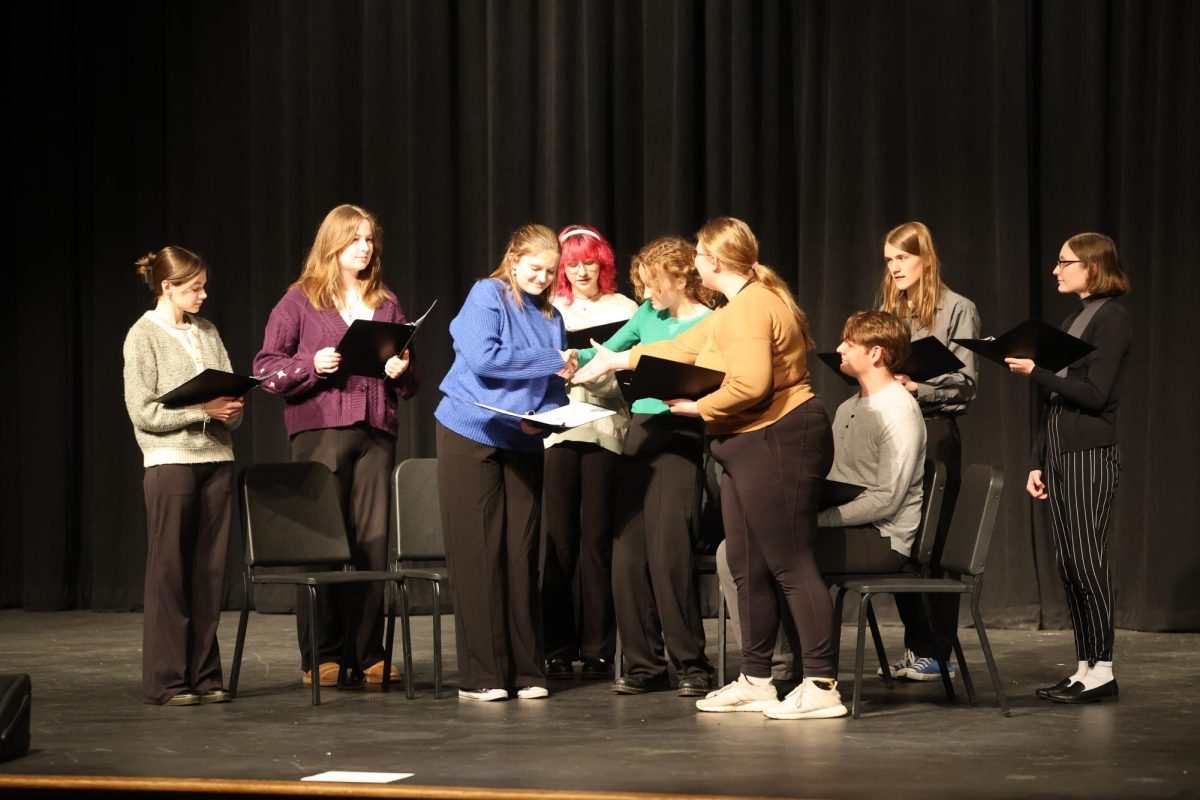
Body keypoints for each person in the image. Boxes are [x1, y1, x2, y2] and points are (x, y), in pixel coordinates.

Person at [574, 217, 844, 719]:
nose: (695, 260)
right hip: (745, 442)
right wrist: (620, 358)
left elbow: (751, 385)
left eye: (698, 252)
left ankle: (822, 684)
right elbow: (686, 349)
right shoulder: (735, 309)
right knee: (747, 566)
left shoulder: (751, 307)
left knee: (789, 561)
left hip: (778, 435)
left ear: (714, 261)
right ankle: (757, 678)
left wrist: (699, 409)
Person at [253, 204, 419, 688]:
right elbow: (266, 368)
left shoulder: (385, 302)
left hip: (376, 432)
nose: (365, 248)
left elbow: (412, 370)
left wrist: (400, 369)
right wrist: (311, 363)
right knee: (324, 541)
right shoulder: (300, 301)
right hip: (321, 430)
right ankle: (321, 653)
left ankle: (367, 651)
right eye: (355, 240)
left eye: (370, 240)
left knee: (372, 541)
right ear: (333, 244)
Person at [434, 223, 576, 702]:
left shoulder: (552, 316)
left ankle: (526, 670)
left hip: (521, 438)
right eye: (535, 268)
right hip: (469, 431)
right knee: (479, 553)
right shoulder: (487, 295)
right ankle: (482, 676)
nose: (542, 278)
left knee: (521, 553)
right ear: (514, 261)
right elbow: (483, 358)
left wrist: (553, 417)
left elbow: (554, 389)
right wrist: (552, 361)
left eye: (550, 272)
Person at [574, 236, 717, 697]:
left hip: (681, 430)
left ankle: (691, 663)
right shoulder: (646, 315)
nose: (648, 293)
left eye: (654, 284)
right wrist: (570, 360)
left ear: (680, 278)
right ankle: (643, 664)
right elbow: (604, 354)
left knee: (669, 549)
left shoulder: (712, 322)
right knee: (627, 553)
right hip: (642, 428)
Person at [1006, 232, 1131, 704]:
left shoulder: (1111, 319)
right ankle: (1085, 666)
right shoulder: (1075, 318)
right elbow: (1056, 401)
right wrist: (1037, 461)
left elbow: (1097, 396)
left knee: (1088, 560)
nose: (1056, 270)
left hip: (1089, 455)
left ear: (1092, 268)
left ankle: (1104, 669)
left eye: (1065, 263)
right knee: (1069, 563)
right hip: (1061, 455)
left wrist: (1034, 370)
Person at [123, 247, 242, 706]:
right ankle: (168, 680)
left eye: (204, 286)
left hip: (217, 459)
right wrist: (201, 410)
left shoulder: (208, 332)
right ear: (166, 287)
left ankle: (205, 674)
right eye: (194, 287)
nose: (203, 295)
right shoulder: (143, 336)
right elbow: (143, 410)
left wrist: (231, 409)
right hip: (171, 461)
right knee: (170, 571)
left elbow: (227, 390)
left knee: (209, 572)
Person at [876, 221, 981, 681]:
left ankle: (938, 651)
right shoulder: (889, 309)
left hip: (935, 430)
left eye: (902, 257)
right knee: (901, 540)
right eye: (889, 260)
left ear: (924, 258)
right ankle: (917, 646)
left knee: (933, 544)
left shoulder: (958, 309)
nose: (895, 267)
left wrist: (917, 387)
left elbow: (966, 386)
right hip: (895, 431)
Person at [542, 225, 639, 681]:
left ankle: (600, 646)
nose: (581, 271)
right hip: (557, 433)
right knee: (558, 541)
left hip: (605, 430)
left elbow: (636, 374)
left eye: (589, 262)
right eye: (572, 263)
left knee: (598, 541)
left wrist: (599, 368)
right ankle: (557, 645)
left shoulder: (625, 310)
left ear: (604, 263)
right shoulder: (548, 310)